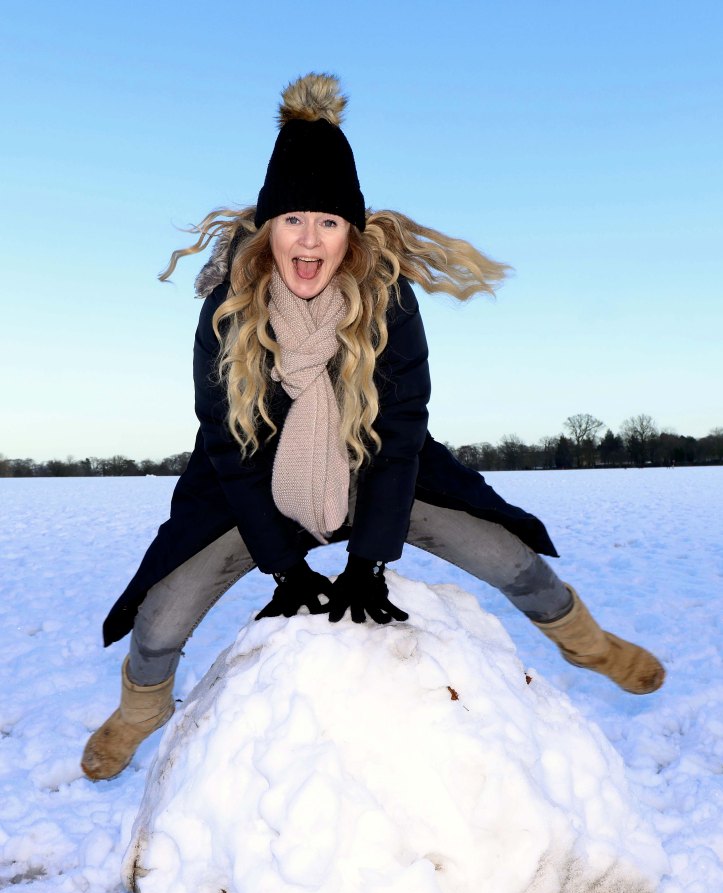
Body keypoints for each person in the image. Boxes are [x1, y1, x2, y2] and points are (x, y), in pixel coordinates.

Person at [81, 74, 664, 782]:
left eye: (328, 222)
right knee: (160, 619)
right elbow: (228, 449)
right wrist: (284, 565)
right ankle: (141, 710)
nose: (309, 239)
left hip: (373, 472)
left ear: (349, 234)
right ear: (268, 229)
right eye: (293, 219)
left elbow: (400, 435)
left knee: (509, 558)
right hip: (254, 491)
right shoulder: (227, 313)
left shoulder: (387, 302)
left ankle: (585, 642)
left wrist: (370, 558)